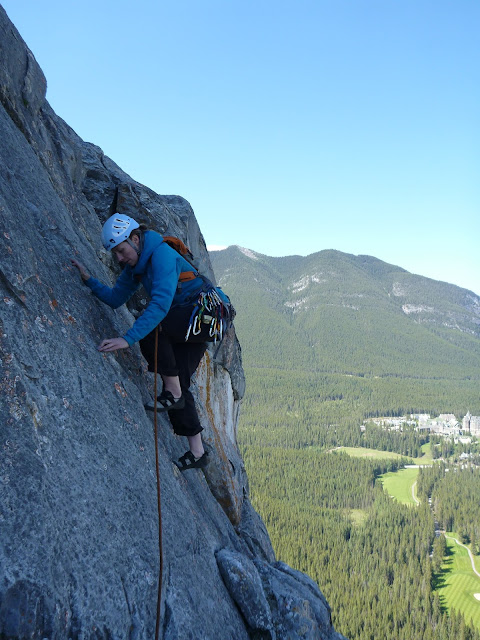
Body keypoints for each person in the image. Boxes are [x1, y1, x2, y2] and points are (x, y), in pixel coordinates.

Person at [71, 213, 230, 471]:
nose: (120, 258)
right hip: (195, 320)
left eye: (121, 251)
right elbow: (114, 299)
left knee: (151, 328)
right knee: (179, 381)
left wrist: (127, 339)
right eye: (116, 254)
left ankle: (172, 393)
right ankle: (198, 452)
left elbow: (159, 306)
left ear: (135, 239)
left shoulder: (162, 255)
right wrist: (89, 281)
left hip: (202, 316)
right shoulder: (135, 268)